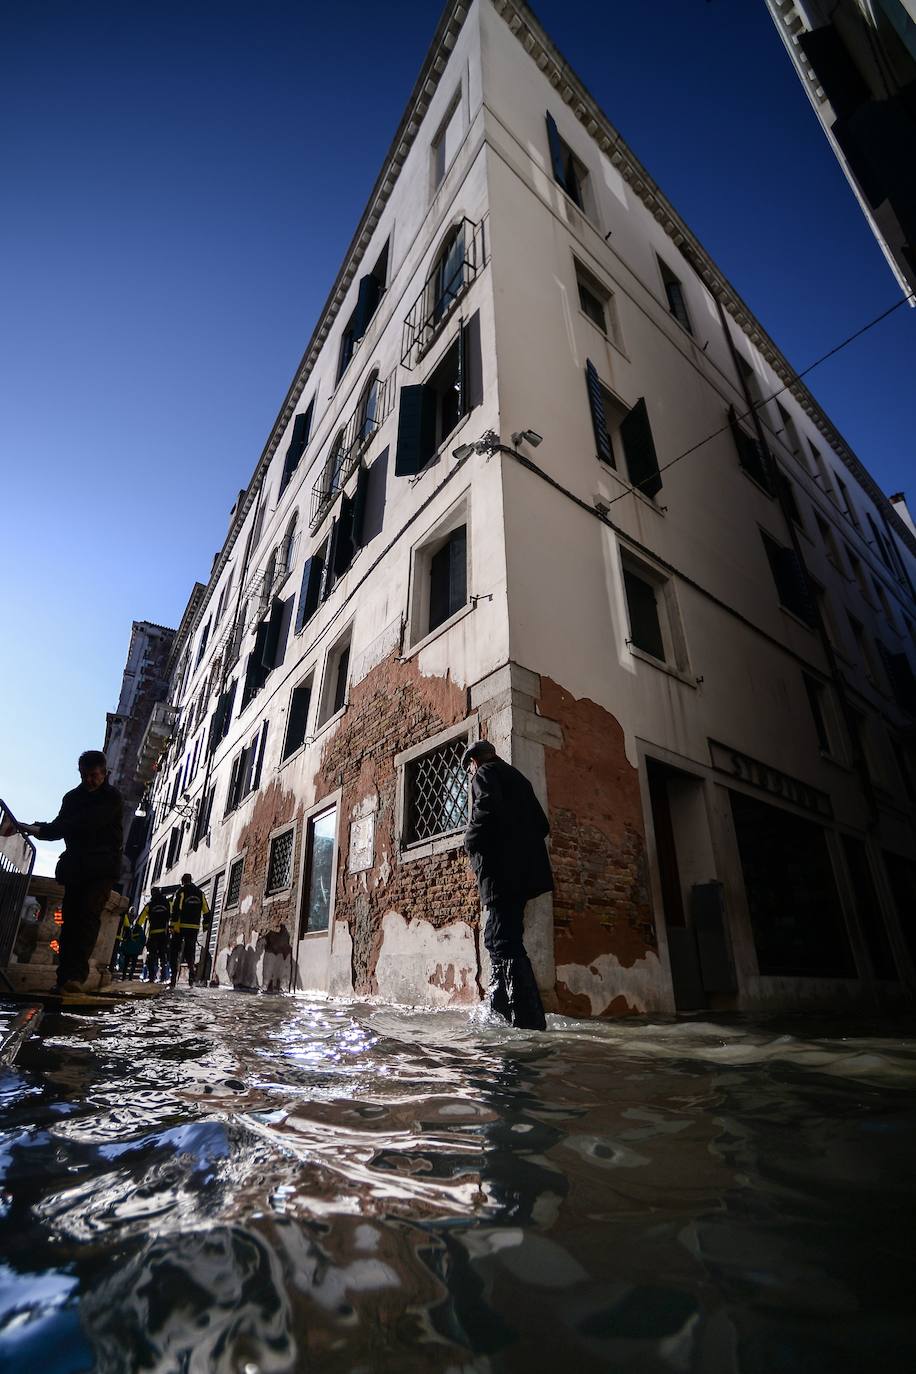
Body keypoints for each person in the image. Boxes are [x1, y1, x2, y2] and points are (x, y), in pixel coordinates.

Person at [463, 740, 552, 1031]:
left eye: (470, 768)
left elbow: (486, 808)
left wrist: (470, 841)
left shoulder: (485, 774)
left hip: (503, 875)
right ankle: (499, 1009)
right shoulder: (520, 779)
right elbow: (542, 824)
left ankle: (527, 1021)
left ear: (475, 761)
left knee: (504, 941)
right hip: (525, 875)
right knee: (495, 937)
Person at [19, 750, 123, 994]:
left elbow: (82, 823)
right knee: (70, 921)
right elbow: (60, 827)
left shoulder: (112, 798)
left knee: (87, 917)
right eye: (85, 775)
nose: (90, 780)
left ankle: (75, 978)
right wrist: (32, 828)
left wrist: (40, 829)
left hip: (102, 868)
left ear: (104, 773)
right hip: (77, 867)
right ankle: (64, 978)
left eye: (94, 776)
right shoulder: (72, 798)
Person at [168, 873, 209, 989]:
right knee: (190, 952)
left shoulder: (180, 892)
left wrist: (172, 925)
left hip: (180, 927)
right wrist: (205, 925)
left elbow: (176, 908)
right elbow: (206, 910)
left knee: (174, 951)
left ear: (182, 881)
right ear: (191, 880)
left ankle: (173, 979)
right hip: (194, 928)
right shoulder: (200, 893)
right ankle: (192, 974)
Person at [138, 887, 172, 982]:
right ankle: (163, 977)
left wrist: (137, 929)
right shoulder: (167, 903)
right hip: (164, 934)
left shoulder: (150, 905)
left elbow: (141, 919)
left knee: (152, 956)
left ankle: (152, 977)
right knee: (163, 956)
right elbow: (173, 914)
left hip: (153, 934)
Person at [117, 909, 146, 980]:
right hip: (134, 949)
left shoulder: (130, 927)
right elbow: (143, 939)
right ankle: (129, 977)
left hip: (129, 948)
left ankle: (125, 976)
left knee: (127, 963)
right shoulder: (138, 929)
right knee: (132, 964)